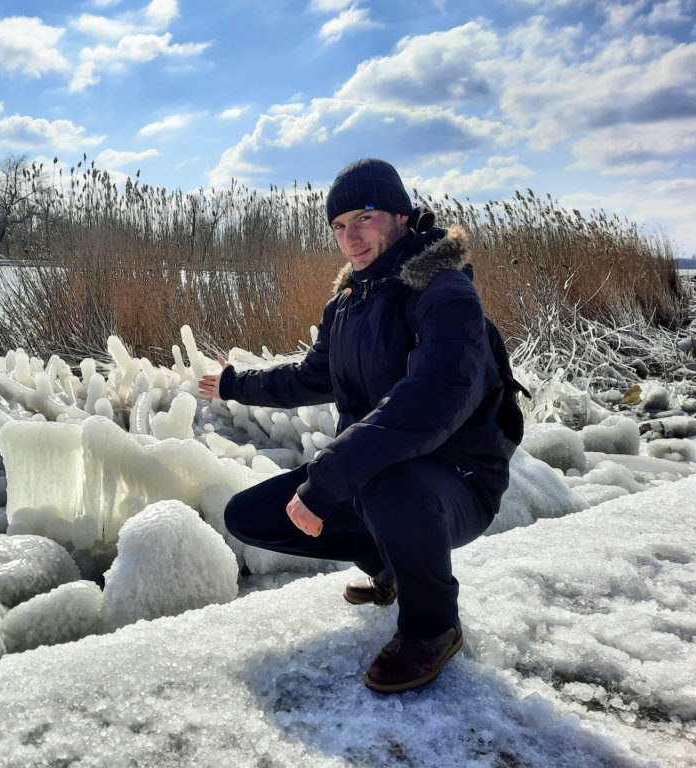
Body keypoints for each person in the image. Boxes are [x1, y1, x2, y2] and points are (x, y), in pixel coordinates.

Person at [198, 158, 517, 694]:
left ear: (400, 216)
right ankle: (392, 567)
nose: (351, 237)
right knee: (249, 516)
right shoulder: (347, 304)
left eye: (364, 218)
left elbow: (434, 396)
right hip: (377, 476)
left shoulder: (445, 292)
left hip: (458, 480)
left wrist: (331, 475)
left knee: (385, 482)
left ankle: (432, 627)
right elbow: (311, 376)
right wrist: (234, 384)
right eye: (339, 226)